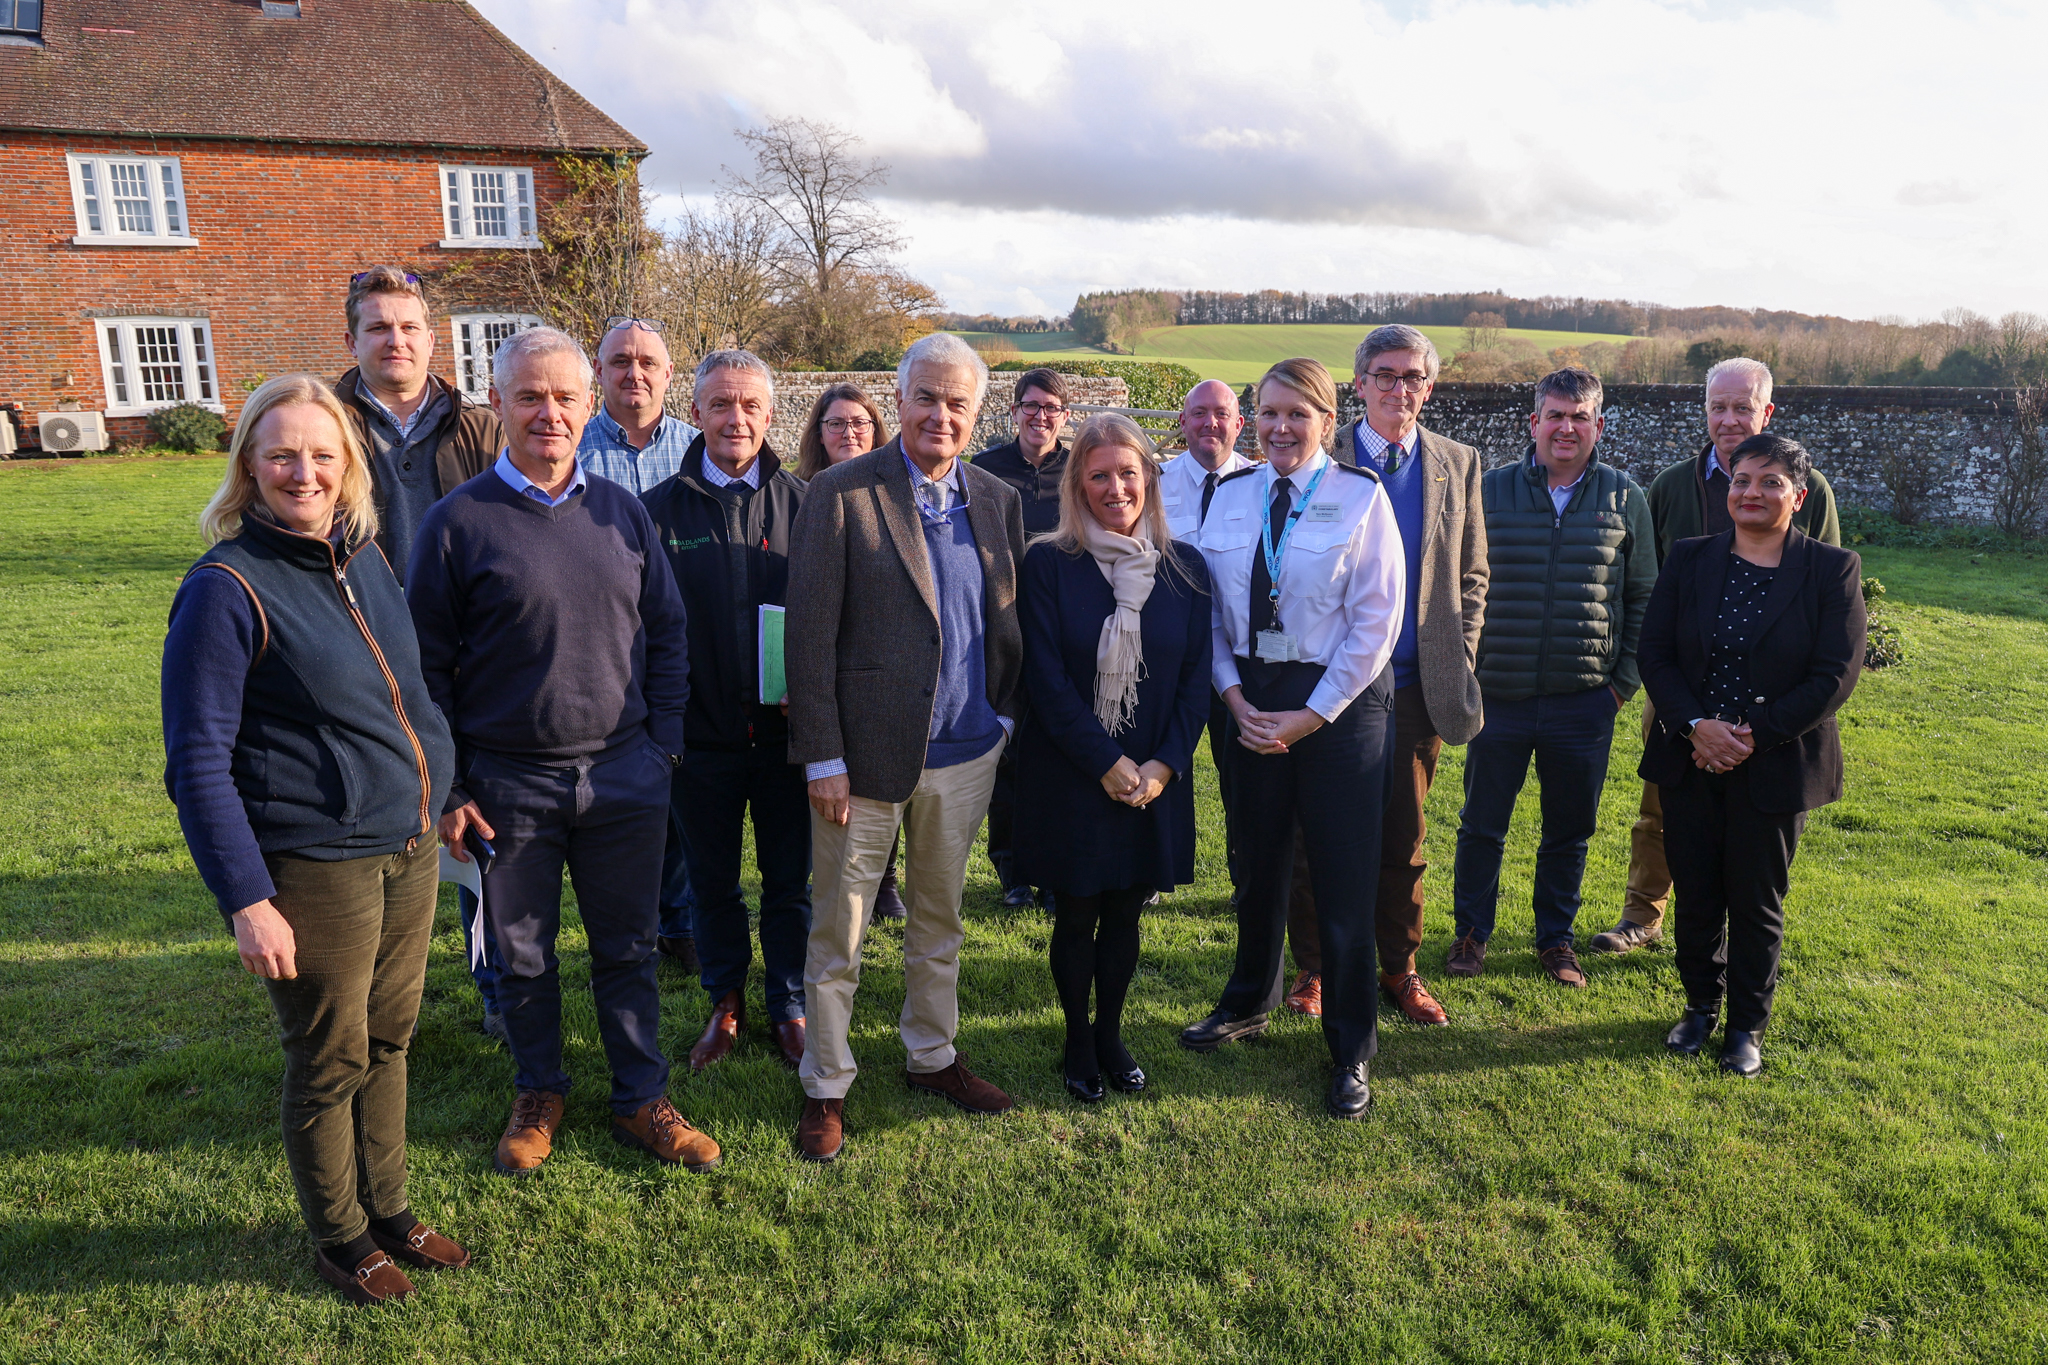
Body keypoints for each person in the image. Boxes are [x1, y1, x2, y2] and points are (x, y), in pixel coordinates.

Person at [162, 374, 468, 1306]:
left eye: (323, 455)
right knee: (329, 1055)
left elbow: (410, 694)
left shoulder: (363, 553)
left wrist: (442, 792)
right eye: (283, 454)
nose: (305, 471)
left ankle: (389, 1207)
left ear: (349, 466)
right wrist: (248, 900)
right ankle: (340, 1235)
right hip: (316, 861)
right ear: (250, 465)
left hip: (407, 845)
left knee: (390, 1037)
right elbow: (196, 762)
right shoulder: (225, 589)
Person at [407, 327, 717, 1178]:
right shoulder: (456, 524)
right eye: (530, 396)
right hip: (509, 784)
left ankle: (638, 1096)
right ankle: (538, 1089)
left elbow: (668, 632)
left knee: (628, 947)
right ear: (499, 403)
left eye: (564, 397)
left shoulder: (623, 513)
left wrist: (662, 748)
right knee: (523, 954)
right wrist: (452, 786)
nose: (549, 412)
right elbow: (424, 670)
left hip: (624, 774)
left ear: (589, 405)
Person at [785, 332, 1026, 1162]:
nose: (941, 414)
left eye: (958, 401)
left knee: (939, 919)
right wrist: (822, 755)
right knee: (840, 931)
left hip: (966, 753)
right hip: (862, 763)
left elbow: (1005, 621)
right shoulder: (843, 492)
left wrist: (1004, 721)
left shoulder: (995, 498)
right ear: (900, 400)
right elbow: (809, 638)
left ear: (976, 410)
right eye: (927, 396)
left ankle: (932, 1055)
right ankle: (826, 1080)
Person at [1178, 358, 1404, 1122]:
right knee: (1258, 862)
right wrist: (1235, 699)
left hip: (1338, 707)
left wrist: (1312, 713)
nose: (1278, 427)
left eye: (1296, 414)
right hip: (1251, 699)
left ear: (1326, 420)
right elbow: (1207, 611)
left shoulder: (1360, 498)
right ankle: (1248, 999)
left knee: (1341, 879)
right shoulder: (1232, 498)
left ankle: (1350, 1049)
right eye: (1267, 412)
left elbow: (1377, 621)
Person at [1593, 357, 1845, 956]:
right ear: (1704, 411)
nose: (1728, 419)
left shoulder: (1808, 490)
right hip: (1681, 684)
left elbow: (1824, 593)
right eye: (1717, 407)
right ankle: (1643, 914)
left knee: (1754, 818)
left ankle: (1736, 923)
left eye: (1742, 407)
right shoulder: (1672, 486)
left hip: (1769, 697)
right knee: (1662, 805)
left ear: (1767, 412)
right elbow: (1642, 577)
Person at [1276, 324, 1487, 1029]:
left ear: (1430, 386)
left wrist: (1457, 654)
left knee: (1404, 835)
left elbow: (1472, 573)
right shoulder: (1317, 452)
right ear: (1358, 384)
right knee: (1316, 835)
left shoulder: (1457, 462)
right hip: (1329, 685)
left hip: (1416, 686)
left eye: (1415, 377)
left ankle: (1399, 966)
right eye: (1386, 375)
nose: (1401, 389)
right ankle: (1313, 969)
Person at [1636, 434, 1863, 1075]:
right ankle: (1699, 1008)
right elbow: (1655, 652)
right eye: (1741, 480)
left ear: (1798, 494)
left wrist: (1749, 735)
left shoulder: (1830, 570)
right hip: (1691, 755)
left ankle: (1745, 1026)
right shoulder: (1691, 558)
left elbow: (1833, 676)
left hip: (1776, 761)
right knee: (1698, 892)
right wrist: (1696, 727)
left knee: (1756, 898)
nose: (1751, 494)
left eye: (1769, 483)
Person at [1014, 414, 1212, 1101]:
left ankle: (1111, 1033)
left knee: (1126, 911)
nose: (1115, 487)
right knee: (1076, 913)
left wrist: (1161, 766)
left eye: (1128, 472)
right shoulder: (1047, 562)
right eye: (1098, 474)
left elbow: (1195, 681)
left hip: (1152, 776)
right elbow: (1044, 677)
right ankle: (1076, 1037)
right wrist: (1105, 761)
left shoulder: (1186, 569)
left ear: (1150, 479)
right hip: (1073, 772)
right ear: (1077, 484)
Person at [333, 269, 504, 1040]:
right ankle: (361, 994)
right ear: (353, 340)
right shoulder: (326, 425)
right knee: (365, 825)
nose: (395, 341)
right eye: (378, 328)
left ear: (433, 339)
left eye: (409, 328)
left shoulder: (477, 428)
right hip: (357, 656)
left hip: (464, 659)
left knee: (475, 819)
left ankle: (496, 984)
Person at [1448, 368, 1654, 987]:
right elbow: (1459, 585)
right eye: (1555, 416)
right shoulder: (1492, 490)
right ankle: (1470, 933)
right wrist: (1467, 670)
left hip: (1584, 700)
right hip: (1499, 697)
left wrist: (1620, 686)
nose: (1567, 428)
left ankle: (1555, 939)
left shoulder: (1625, 498)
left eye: (1580, 417)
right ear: (1533, 422)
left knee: (1569, 831)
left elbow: (1644, 595)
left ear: (1598, 425)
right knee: (1483, 824)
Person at [642, 350, 811, 1073]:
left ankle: (790, 1002)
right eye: (720, 404)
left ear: (770, 415)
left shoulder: (809, 506)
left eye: (749, 406)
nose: (735, 418)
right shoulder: (654, 511)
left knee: (788, 883)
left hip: (787, 740)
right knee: (712, 885)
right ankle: (727, 1001)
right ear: (697, 409)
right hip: (699, 743)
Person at [577, 316, 705, 973]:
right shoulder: (572, 448)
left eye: (647, 361)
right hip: (598, 649)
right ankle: (629, 923)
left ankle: (678, 919)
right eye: (619, 361)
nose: (634, 372)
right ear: (598, 373)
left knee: (677, 788)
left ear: (668, 373)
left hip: (682, 644)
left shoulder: (697, 450)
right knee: (614, 799)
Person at [793, 380, 908, 922]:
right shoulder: (800, 491)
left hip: (873, 666)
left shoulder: (891, 497)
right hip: (812, 657)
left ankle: (883, 880)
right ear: (819, 433)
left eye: (860, 423)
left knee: (880, 782)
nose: (849, 432)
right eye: (836, 423)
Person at [973, 368, 1074, 908]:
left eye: (1051, 408)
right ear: (1013, 412)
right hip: (1001, 630)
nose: (1040, 417)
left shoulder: (1081, 470)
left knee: (1061, 751)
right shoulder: (983, 472)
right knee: (1007, 752)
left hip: (1066, 629)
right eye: (1030, 406)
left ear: (1065, 415)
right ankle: (1012, 870)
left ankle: (1058, 867)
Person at [1158, 380, 1253, 890]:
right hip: (1167, 656)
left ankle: (1246, 880)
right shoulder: (1152, 484)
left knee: (1241, 775)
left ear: (1240, 423)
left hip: (1237, 657)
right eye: (1199, 414)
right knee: (1164, 763)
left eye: (1222, 414)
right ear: (1182, 422)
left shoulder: (1264, 486)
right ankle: (1156, 868)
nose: (1210, 423)